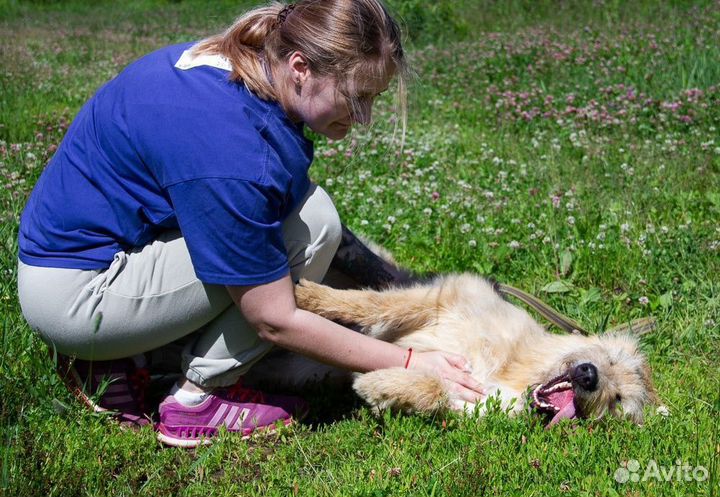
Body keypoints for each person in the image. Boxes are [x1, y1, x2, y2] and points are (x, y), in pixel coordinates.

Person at [17, 0, 484, 448]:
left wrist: (400, 285)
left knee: (307, 218)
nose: (365, 118)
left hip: (84, 262)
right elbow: (276, 320)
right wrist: (411, 361)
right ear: (300, 67)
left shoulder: (237, 63)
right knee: (312, 227)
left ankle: (123, 355)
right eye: (357, 97)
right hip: (80, 297)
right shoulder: (234, 148)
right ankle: (196, 399)